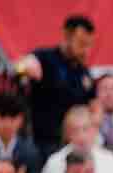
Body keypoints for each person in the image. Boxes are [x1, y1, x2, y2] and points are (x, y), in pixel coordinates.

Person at [14, 15, 96, 157]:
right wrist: (24, 67)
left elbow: (93, 103)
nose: (85, 50)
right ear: (67, 36)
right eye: (81, 43)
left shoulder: (84, 72)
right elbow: (19, 66)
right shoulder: (45, 58)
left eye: (88, 45)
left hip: (75, 143)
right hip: (44, 143)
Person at [40, 106, 113, 173]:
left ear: (95, 130)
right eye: (75, 130)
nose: (81, 136)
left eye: (85, 129)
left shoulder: (112, 161)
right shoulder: (54, 162)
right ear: (67, 134)